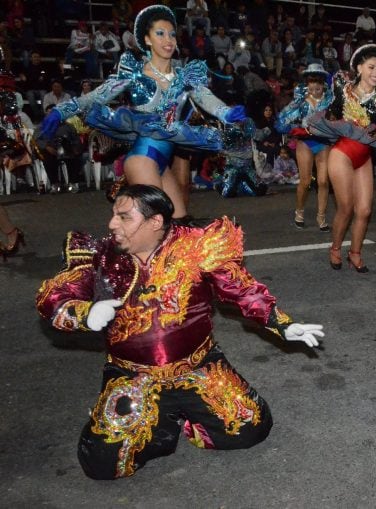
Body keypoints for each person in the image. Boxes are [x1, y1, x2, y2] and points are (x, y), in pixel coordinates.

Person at [35, 184, 325, 479]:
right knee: (102, 464)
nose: (112, 224)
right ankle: (160, 424)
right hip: (132, 374)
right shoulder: (103, 256)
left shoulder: (197, 247)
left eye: (124, 217)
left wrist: (283, 324)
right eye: (114, 215)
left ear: (155, 222)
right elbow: (54, 295)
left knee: (249, 427)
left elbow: (243, 290)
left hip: (198, 367)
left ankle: (178, 417)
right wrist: (84, 313)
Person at [38, 4, 246, 219]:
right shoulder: (135, 74)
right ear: (147, 40)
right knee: (156, 224)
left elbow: (205, 98)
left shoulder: (185, 75)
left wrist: (226, 113)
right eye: (160, 33)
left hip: (162, 161)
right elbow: (96, 96)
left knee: (179, 223)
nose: (169, 40)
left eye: (172, 34)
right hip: (143, 159)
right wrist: (61, 111)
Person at [298, 44, 376, 272]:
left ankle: (355, 253)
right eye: (371, 67)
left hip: (364, 157)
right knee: (346, 207)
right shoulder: (343, 89)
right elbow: (331, 113)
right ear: (359, 68)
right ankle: (335, 248)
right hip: (341, 155)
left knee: (365, 211)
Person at [275, 62, 333, 230]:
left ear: (323, 83)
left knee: (323, 181)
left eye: (318, 83)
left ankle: (321, 217)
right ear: (307, 83)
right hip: (305, 142)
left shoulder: (330, 99)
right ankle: (299, 211)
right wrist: (294, 126)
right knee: (306, 181)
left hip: (323, 142)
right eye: (311, 82)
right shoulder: (300, 101)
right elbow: (282, 119)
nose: (315, 87)